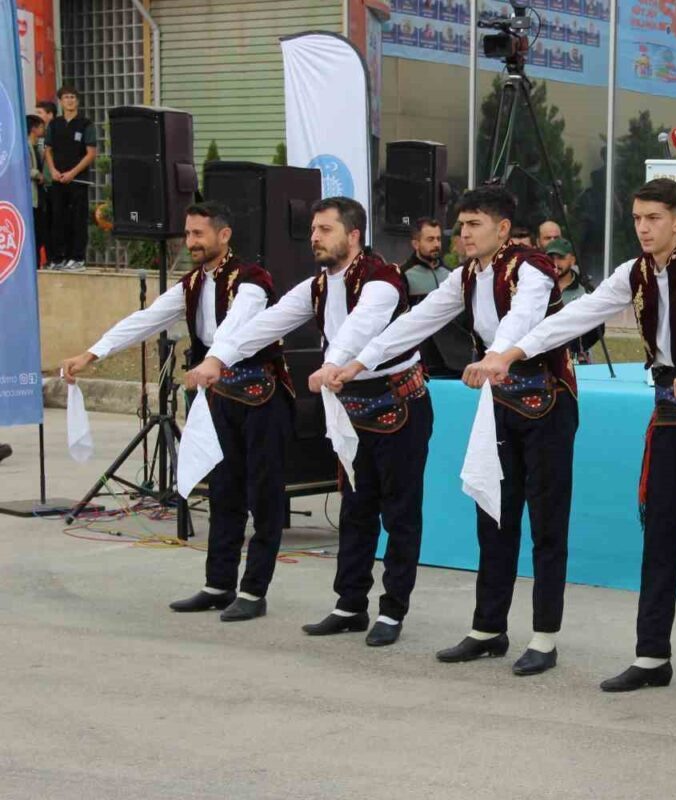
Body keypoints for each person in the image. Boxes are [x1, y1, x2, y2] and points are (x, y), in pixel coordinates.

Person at [470, 178, 676, 704]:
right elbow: (579, 314)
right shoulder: (633, 272)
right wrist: (511, 353)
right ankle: (651, 657)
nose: (643, 228)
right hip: (669, 409)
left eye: (654, 218)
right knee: (660, 532)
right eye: (638, 218)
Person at [330, 186, 576, 677]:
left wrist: (496, 356)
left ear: (502, 229)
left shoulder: (530, 267)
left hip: (548, 403)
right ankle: (488, 628)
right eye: (460, 225)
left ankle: (545, 637)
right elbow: (416, 322)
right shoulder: (465, 275)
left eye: (474, 224)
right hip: (500, 402)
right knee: (493, 516)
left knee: (546, 525)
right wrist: (357, 362)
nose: (462, 234)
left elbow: (525, 316)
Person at [185, 197, 432, 648]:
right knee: (355, 510)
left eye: (325, 229)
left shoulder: (382, 279)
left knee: (399, 514)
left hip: (400, 405)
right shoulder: (316, 286)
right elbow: (268, 323)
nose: (314, 237)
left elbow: (362, 325)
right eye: (314, 229)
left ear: (353, 236)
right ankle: (350, 605)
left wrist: (332, 363)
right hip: (353, 409)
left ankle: (392, 611)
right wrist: (218, 358)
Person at [62, 202, 293, 621]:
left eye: (198, 234)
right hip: (219, 397)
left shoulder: (252, 280)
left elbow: (236, 326)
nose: (191, 242)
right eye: (187, 234)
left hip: (262, 399)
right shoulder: (192, 284)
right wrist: (92, 353)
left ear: (224, 235)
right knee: (223, 491)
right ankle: (218, 585)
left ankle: (254, 592)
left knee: (264, 496)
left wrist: (213, 360)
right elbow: (146, 319)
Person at [402, 216, 472, 378]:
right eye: (430, 239)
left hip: (455, 359)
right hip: (422, 359)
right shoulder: (404, 275)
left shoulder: (450, 274)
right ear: (415, 244)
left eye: (438, 239)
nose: (436, 244)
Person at [44, 85, 97, 272]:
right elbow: (48, 150)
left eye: (73, 97)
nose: (69, 100)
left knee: (78, 219)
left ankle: (77, 258)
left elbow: (91, 153)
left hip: (78, 181)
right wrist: (52, 170)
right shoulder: (54, 124)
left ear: (78, 101)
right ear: (60, 101)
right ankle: (59, 258)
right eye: (66, 97)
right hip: (58, 180)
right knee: (58, 219)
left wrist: (72, 173)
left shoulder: (86, 124)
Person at [544, 237, 601, 364]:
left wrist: (579, 347)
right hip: (544, 359)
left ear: (573, 260)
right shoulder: (539, 288)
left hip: (578, 359)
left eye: (561, 258)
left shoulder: (585, 290)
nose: (555, 263)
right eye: (551, 258)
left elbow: (598, 327)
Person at [34, 101, 56, 268]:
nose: (37, 116)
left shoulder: (55, 135)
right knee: (42, 225)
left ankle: (53, 258)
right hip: (41, 188)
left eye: (40, 112)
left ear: (50, 115)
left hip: (53, 185)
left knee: (52, 224)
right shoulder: (36, 139)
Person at [26, 115, 45, 263]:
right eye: (41, 127)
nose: (43, 130)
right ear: (33, 128)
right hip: (31, 197)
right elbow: (25, 169)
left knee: (39, 230)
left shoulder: (37, 146)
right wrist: (37, 174)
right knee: (34, 231)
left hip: (39, 196)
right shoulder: (25, 146)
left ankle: (37, 261)